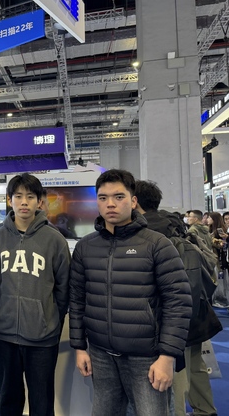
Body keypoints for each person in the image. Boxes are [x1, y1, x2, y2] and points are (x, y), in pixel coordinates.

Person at [70, 169, 192, 416]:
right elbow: (77, 299)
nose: (110, 204)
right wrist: (79, 347)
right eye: (103, 198)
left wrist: (167, 356)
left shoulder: (157, 244)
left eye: (119, 197)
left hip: (146, 358)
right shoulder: (86, 246)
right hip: (101, 355)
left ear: (133, 201)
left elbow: (178, 302)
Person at [0, 173, 70, 416]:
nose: (24, 202)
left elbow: (64, 288)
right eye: (18, 196)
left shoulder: (55, 240)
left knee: (41, 401)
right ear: (9, 200)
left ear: (40, 201)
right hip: (5, 335)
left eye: (30, 197)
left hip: (42, 338)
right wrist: (1, 308)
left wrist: (49, 318)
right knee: (8, 400)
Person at [134, 180, 220, 416]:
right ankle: (206, 410)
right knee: (196, 366)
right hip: (197, 311)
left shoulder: (147, 235)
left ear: (134, 202)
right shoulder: (175, 225)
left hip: (171, 319)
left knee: (176, 378)